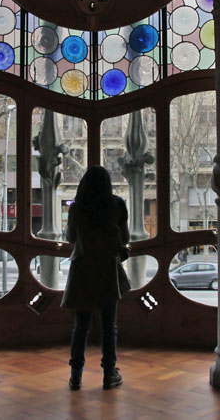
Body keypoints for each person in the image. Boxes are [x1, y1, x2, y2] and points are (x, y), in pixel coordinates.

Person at [61, 166, 130, 391]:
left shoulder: (77, 208)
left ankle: (75, 376)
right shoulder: (117, 205)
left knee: (80, 325)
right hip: (108, 269)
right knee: (109, 326)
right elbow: (125, 237)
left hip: (82, 269)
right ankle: (109, 373)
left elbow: (71, 237)